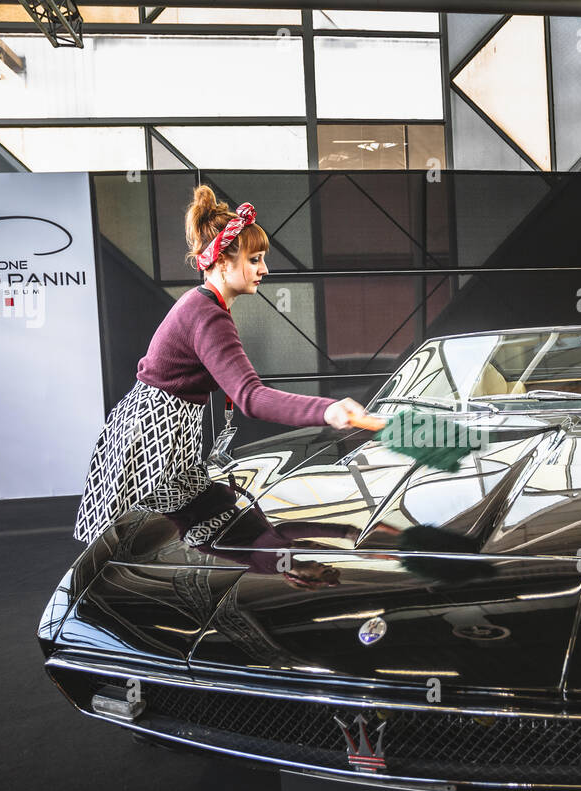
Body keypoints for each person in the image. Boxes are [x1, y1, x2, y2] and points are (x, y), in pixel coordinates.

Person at [73, 185, 367, 545]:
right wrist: (329, 410)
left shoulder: (204, 306)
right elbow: (251, 397)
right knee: (140, 548)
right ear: (224, 263)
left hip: (155, 430)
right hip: (151, 439)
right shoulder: (208, 316)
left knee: (186, 535)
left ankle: (285, 557)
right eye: (255, 259)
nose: (265, 269)